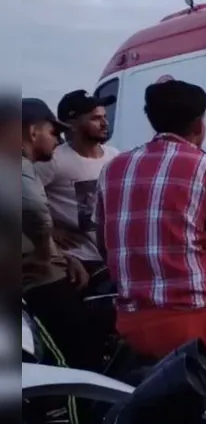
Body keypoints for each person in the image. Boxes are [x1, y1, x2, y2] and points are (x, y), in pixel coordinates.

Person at [96, 80, 206, 365]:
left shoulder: (113, 168)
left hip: (131, 319)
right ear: (199, 124)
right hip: (193, 316)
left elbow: (104, 243)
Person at [21, 98, 103, 424]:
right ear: (32, 130)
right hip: (38, 281)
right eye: (53, 131)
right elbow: (33, 212)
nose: (57, 139)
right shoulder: (17, 164)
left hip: (43, 273)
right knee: (73, 357)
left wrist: (60, 255)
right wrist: (45, 249)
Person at [34, 90, 119, 283]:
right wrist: (51, 231)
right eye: (95, 118)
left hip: (111, 255)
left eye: (105, 116)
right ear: (71, 123)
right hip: (78, 260)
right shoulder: (53, 160)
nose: (105, 123)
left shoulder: (114, 156)